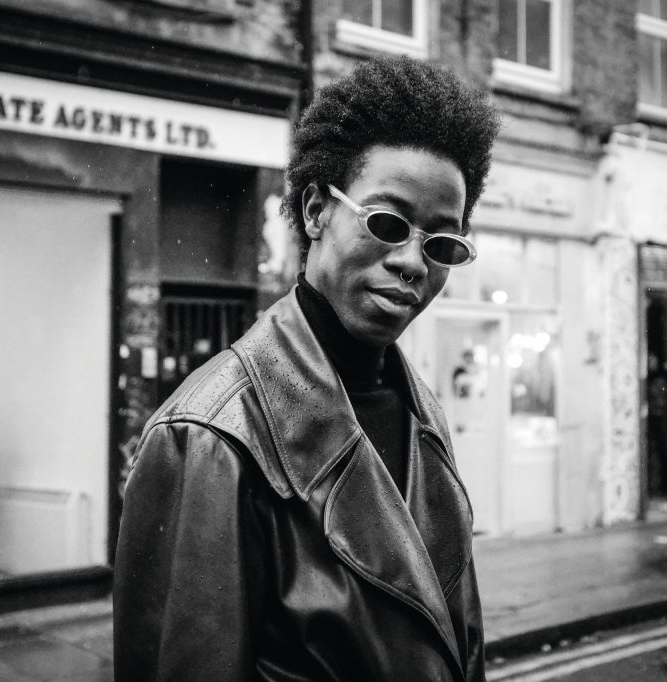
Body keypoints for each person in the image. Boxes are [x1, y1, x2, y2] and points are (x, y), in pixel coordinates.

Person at [114, 56, 499, 681]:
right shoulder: (207, 439)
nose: (412, 262)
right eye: (386, 222)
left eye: (441, 243)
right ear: (317, 210)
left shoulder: (421, 410)